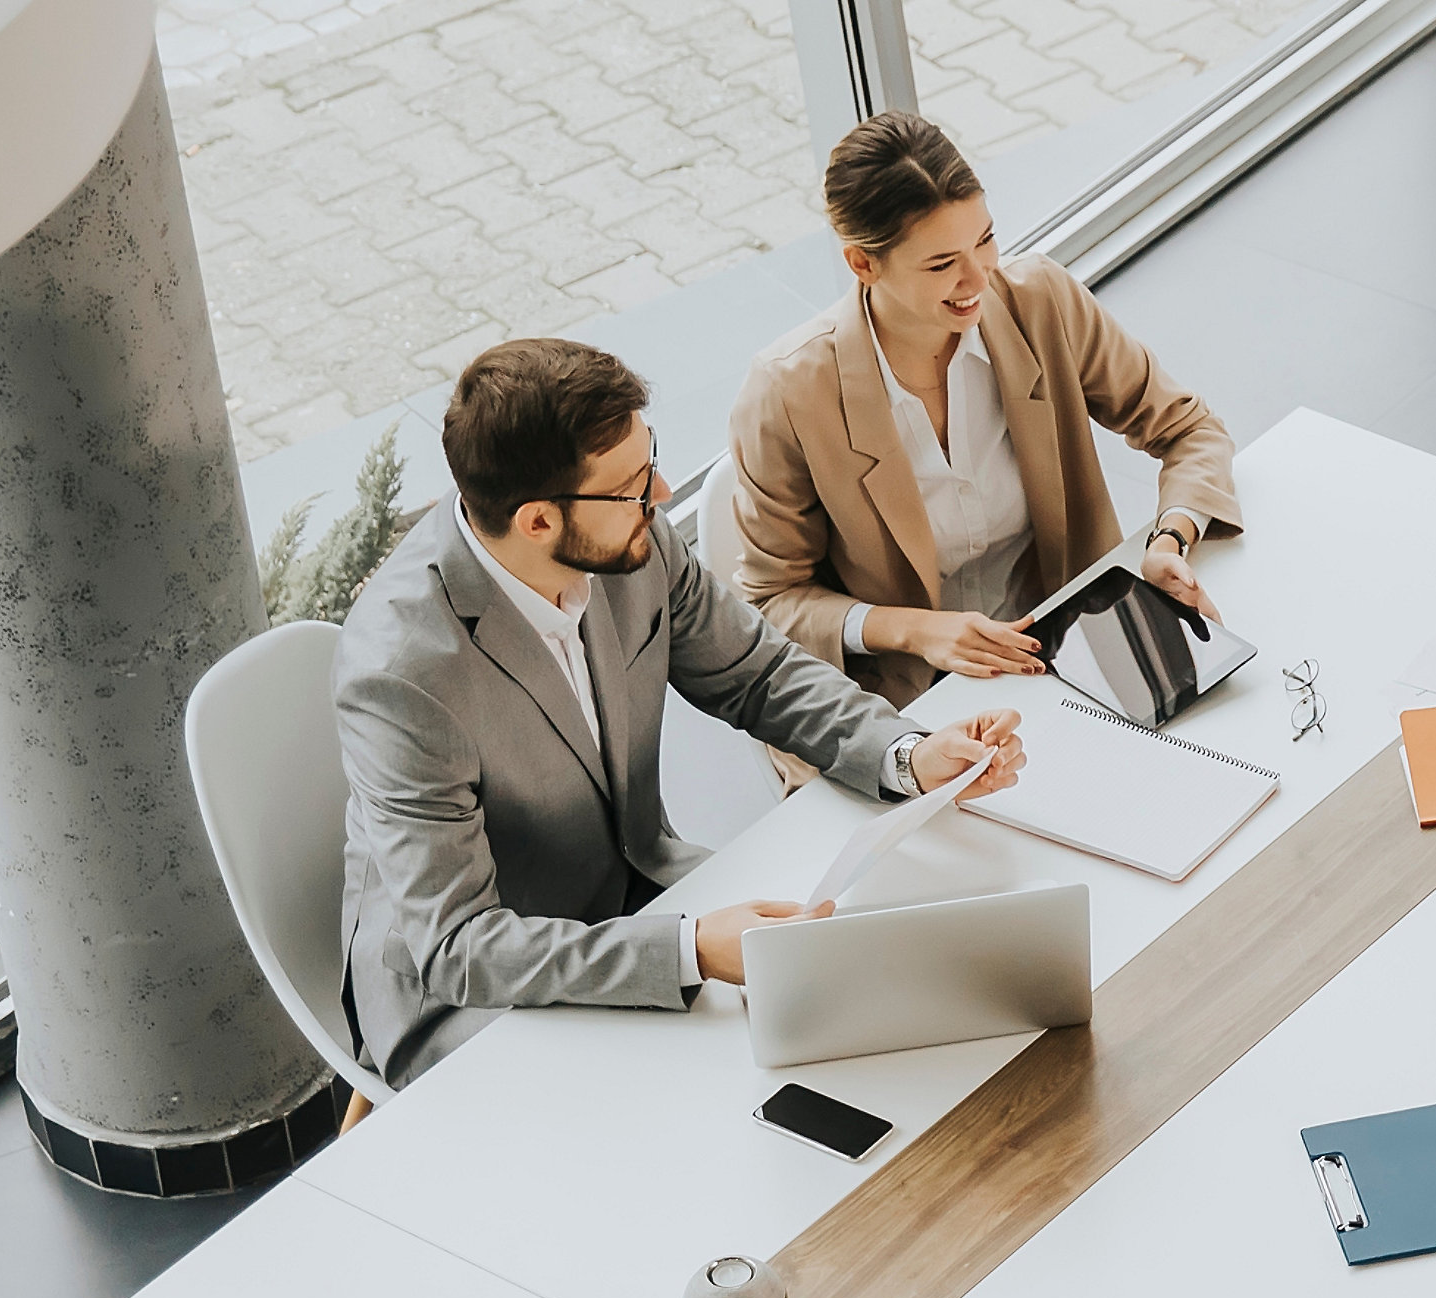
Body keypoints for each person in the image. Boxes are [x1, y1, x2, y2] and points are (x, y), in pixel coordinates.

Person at [339, 337, 1025, 1087]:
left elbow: (757, 674)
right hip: (469, 996)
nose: (662, 493)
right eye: (633, 484)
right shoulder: (401, 674)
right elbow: (460, 948)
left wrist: (905, 755)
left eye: (651, 460)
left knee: (876, 1008)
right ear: (537, 522)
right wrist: (689, 950)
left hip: (633, 894)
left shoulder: (628, 538)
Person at [730, 110, 1239, 708]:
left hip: (1077, 650)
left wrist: (1169, 541)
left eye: (985, 239)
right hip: (901, 701)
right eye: (942, 264)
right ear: (863, 264)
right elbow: (771, 601)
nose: (979, 276)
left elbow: (1189, 428)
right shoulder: (787, 393)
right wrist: (916, 631)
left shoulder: (1040, 301)